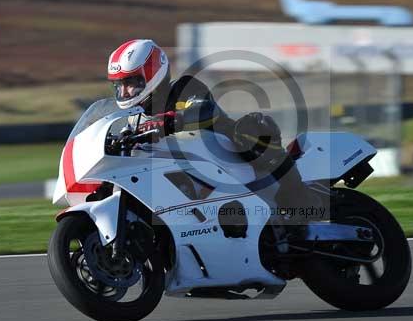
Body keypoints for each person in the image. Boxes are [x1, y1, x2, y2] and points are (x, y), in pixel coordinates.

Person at [106, 38, 319, 220]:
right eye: (119, 85)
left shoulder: (183, 88)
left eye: (131, 83)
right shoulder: (131, 120)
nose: (125, 91)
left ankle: (301, 201)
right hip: (180, 179)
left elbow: (203, 108)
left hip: (228, 156)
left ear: (152, 74)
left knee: (254, 127)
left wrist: (168, 121)